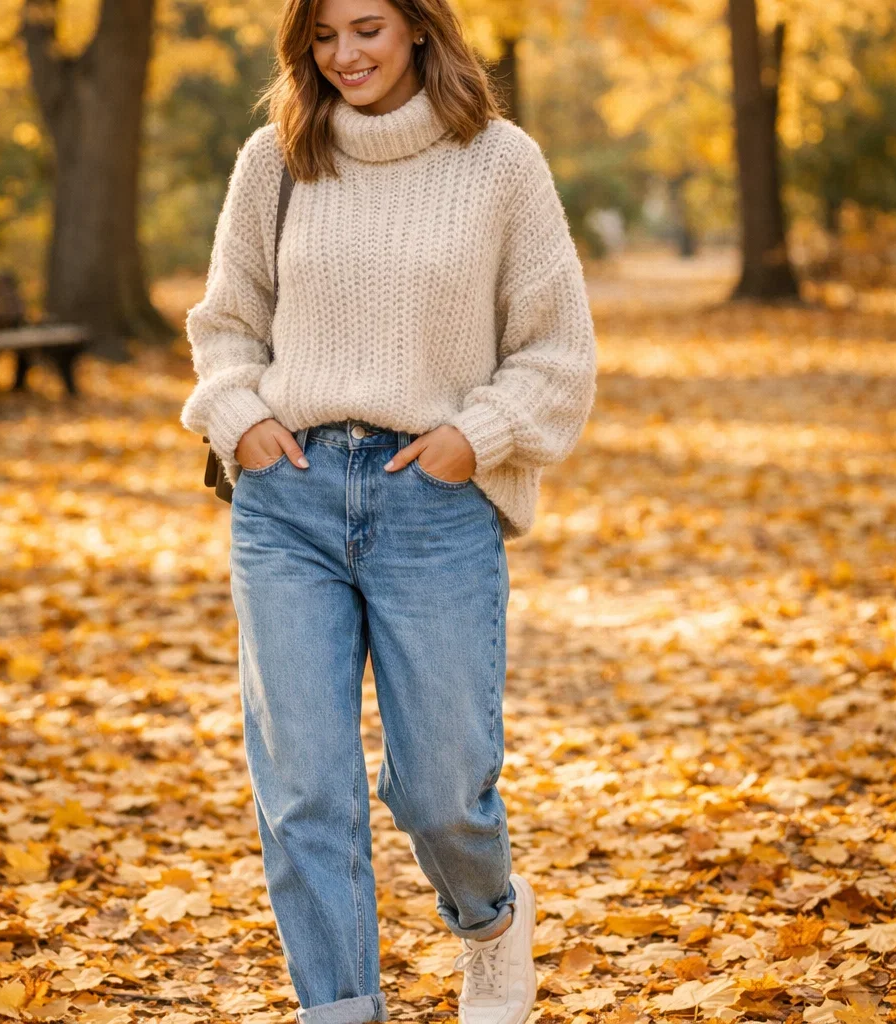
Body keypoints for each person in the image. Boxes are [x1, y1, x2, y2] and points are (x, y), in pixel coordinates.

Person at [180, 0, 597, 1020]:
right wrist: (238, 417)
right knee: (306, 791)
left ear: (418, 26)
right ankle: (340, 1006)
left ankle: (491, 923)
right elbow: (226, 323)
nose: (343, 55)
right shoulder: (273, 161)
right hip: (289, 499)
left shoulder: (500, 165)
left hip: (432, 500)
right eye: (321, 38)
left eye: (364, 28)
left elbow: (556, 347)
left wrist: (478, 436)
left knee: (440, 786)